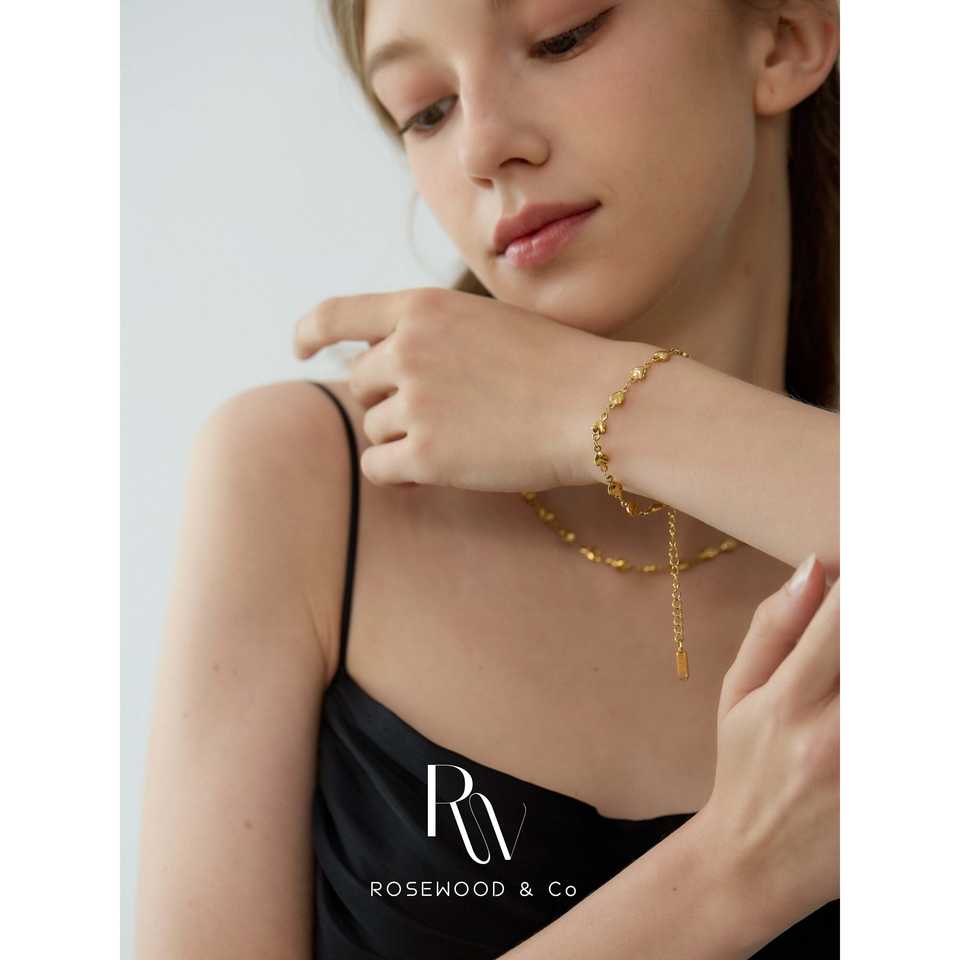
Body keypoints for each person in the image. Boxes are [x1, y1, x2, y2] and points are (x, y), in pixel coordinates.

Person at [135, 1, 840, 957]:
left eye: (562, 36)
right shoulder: (306, 476)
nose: (481, 148)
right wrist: (734, 872)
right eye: (426, 109)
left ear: (785, 37)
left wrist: (602, 408)